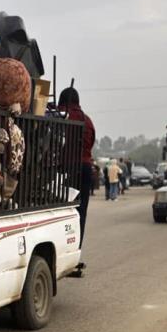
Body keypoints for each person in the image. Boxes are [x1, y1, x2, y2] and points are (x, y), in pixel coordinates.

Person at [58, 87, 96, 248]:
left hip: (64, 169)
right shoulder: (87, 120)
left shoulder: (61, 116)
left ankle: (62, 249)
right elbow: (91, 142)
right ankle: (76, 249)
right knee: (81, 211)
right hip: (85, 168)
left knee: (61, 211)